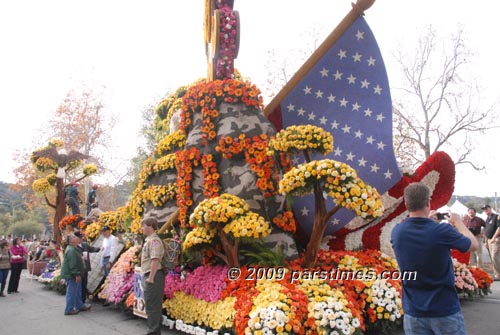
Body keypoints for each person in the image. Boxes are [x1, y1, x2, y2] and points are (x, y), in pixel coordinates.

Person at [391, 182, 478, 335]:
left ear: (406, 203)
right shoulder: (441, 231)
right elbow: (473, 244)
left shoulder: (397, 231)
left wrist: (429, 223)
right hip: (443, 309)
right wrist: (458, 222)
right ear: (428, 202)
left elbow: (419, 234)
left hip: (413, 312)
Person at [141, 217, 166, 335]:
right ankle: (152, 329)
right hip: (150, 275)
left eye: (144, 225)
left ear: (150, 226)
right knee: (150, 304)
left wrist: (150, 278)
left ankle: (153, 331)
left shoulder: (154, 241)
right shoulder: (149, 240)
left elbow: (155, 260)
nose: (142, 228)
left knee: (153, 305)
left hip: (154, 276)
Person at [60, 233, 91, 315]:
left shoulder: (74, 248)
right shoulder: (71, 250)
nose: (76, 238)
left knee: (77, 290)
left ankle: (79, 305)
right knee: (72, 291)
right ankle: (69, 309)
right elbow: (72, 264)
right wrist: (76, 274)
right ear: (71, 241)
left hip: (76, 274)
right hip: (72, 275)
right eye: (74, 237)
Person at [74, 231, 100, 303]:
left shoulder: (84, 245)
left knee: (84, 284)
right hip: (79, 268)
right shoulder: (74, 247)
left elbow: (92, 249)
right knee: (79, 285)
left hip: (86, 268)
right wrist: (81, 258)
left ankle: (83, 300)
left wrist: (99, 248)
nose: (81, 239)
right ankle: (79, 301)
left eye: (82, 237)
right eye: (80, 238)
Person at [482, 204, 500, 280]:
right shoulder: (487, 218)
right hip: (489, 240)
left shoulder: (496, 217)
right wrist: (486, 241)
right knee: (492, 257)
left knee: (494, 256)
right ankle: (496, 273)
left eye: (487, 208)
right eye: (484, 209)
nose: (485, 210)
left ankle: (498, 274)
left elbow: (499, 228)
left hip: (495, 239)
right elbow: (486, 230)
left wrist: (493, 238)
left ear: (490, 209)